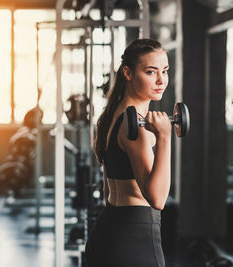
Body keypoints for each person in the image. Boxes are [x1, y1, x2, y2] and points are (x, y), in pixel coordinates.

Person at [85, 38, 171, 267]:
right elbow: (157, 198)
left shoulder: (111, 116)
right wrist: (164, 137)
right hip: (135, 240)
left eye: (165, 71)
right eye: (151, 72)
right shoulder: (136, 128)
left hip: (109, 229)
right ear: (128, 72)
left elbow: (107, 190)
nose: (161, 80)